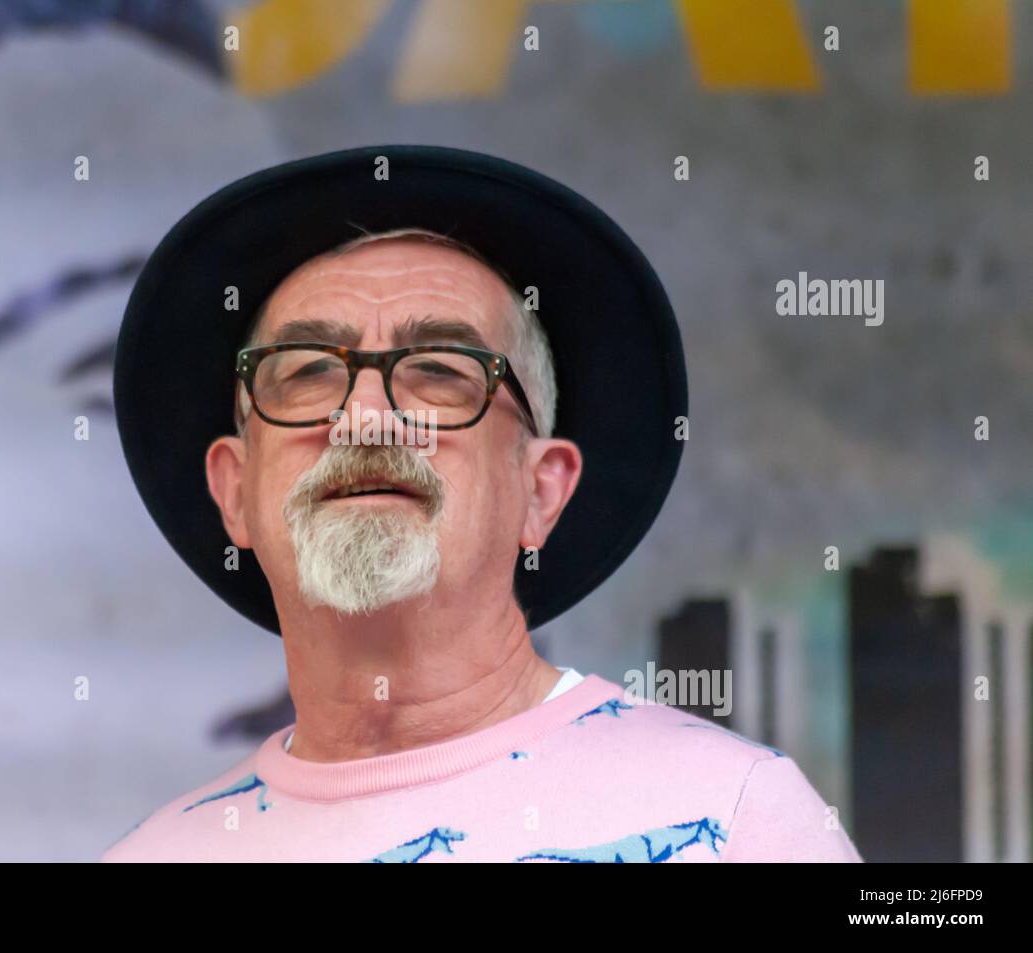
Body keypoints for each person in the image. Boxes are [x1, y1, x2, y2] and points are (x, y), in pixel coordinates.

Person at [103, 145, 862, 862]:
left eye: (439, 368)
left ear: (541, 490)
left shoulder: (739, 820)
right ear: (234, 491)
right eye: (305, 372)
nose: (366, 417)